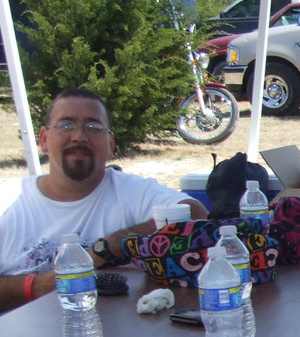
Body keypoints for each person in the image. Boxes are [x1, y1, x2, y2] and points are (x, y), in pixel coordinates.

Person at [0, 88, 208, 313]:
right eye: (67, 125)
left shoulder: (130, 190)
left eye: (93, 127)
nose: (79, 136)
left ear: (110, 144)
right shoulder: (7, 200)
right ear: (44, 139)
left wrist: (109, 246)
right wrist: (37, 287)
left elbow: (195, 214)